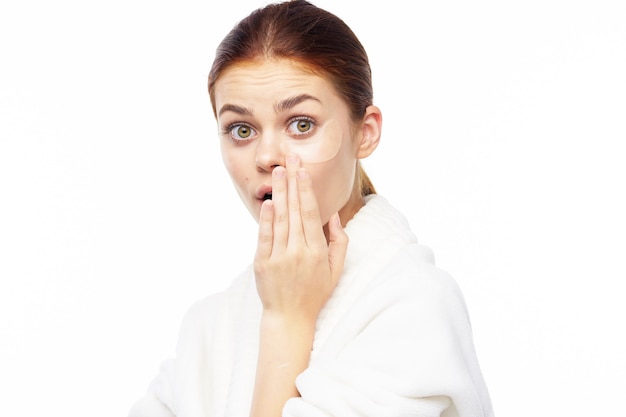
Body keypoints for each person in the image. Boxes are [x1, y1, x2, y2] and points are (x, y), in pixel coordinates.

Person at [129, 1, 494, 416]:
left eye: (301, 123)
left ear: (366, 132)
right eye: (241, 129)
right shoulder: (207, 328)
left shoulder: (416, 308)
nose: (267, 156)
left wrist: (288, 320)